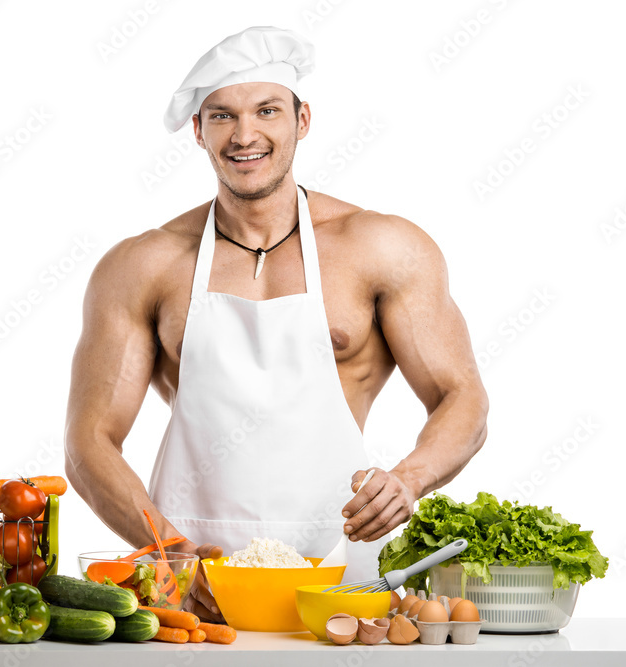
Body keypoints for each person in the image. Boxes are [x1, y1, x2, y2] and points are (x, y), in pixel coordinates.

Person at [64, 26, 489, 622]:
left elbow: (462, 396)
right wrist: (168, 552)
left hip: (338, 581)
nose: (245, 136)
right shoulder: (143, 264)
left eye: (267, 110)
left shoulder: (383, 247)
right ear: (198, 129)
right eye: (222, 115)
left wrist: (408, 480)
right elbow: (88, 441)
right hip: (193, 588)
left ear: (302, 119)